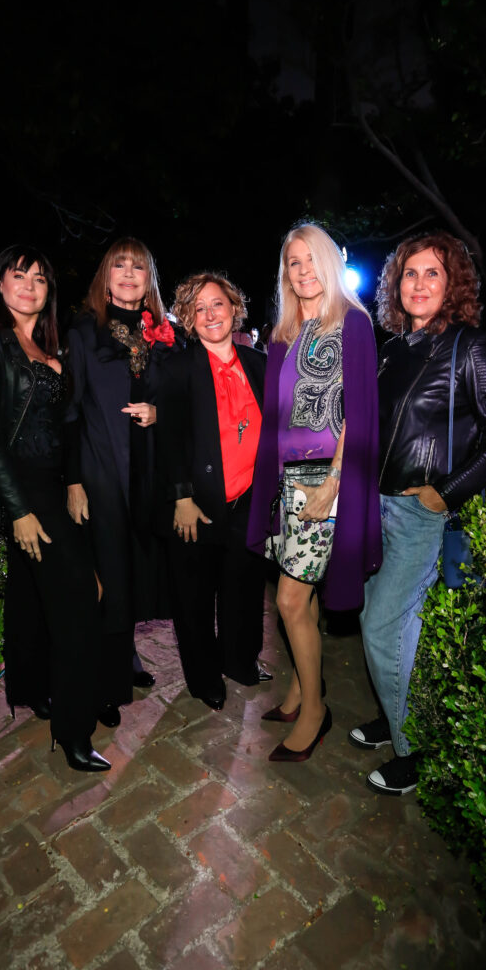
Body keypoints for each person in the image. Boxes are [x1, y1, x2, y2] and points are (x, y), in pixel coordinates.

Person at [349, 231, 486, 796]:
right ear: (395, 285)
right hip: (377, 507)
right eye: (410, 273)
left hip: (420, 514)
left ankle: (414, 752)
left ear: (453, 285)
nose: (419, 284)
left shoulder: (469, 347)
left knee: (382, 628)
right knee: (383, 624)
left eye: (433, 273)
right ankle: (394, 716)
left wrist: (444, 494)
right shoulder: (394, 348)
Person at [0, 245, 110, 773]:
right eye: (18, 275)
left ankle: (32, 689)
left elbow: (64, 426)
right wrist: (19, 509)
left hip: (51, 485)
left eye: (40, 278)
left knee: (30, 596)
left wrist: (74, 481)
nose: (29, 285)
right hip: (22, 489)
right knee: (81, 599)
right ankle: (73, 730)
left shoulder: (49, 345)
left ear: (49, 292)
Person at [247, 223, 382, 762]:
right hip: (285, 481)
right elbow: (276, 416)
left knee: (290, 598)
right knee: (296, 601)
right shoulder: (283, 332)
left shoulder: (353, 324)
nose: (302, 271)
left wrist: (334, 483)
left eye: (310, 259)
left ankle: (315, 711)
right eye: (293, 262)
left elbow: (359, 414)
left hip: (325, 480)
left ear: (329, 262)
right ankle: (302, 688)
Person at [65, 237, 178, 722]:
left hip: (147, 473)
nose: (129, 274)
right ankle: (105, 685)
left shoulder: (163, 335)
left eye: (138, 267)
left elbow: (181, 398)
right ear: (105, 277)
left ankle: (126, 656)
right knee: (108, 576)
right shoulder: (84, 331)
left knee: (132, 572)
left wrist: (159, 412)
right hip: (102, 470)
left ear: (149, 279)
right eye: (120, 266)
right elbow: (69, 411)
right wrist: (73, 482)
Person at [157, 272, 269, 711]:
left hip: (250, 499)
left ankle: (239, 661)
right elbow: (169, 439)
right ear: (188, 319)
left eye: (217, 304)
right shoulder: (177, 368)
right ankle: (204, 677)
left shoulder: (258, 363)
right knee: (195, 598)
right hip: (197, 503)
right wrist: (181, 497)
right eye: (198, 308)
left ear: (234, 308)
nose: (209, 314)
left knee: (244, 589)